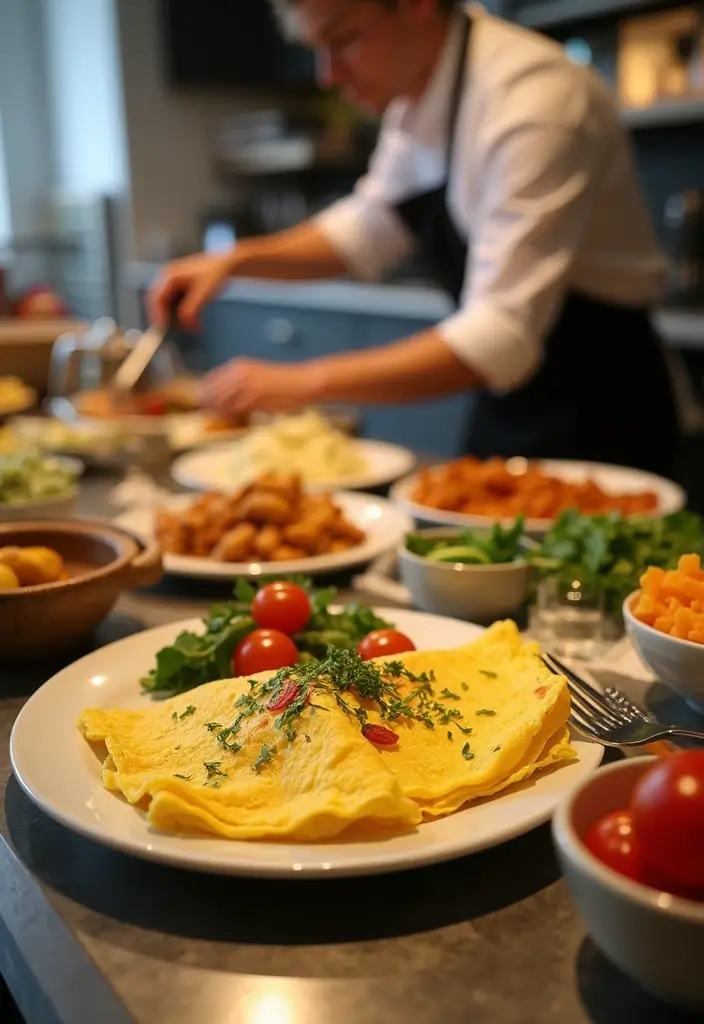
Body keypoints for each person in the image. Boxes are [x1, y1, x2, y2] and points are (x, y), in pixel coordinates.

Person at [150, 0, 680, 475]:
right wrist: (234, 261)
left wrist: (302, 383)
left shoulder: (535, 98)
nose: (328, 75)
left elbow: (500, 337)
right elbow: (369, 228)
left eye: (343, 39)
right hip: (507, 408)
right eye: (317, 48)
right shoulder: (420, 97)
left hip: (603, 410)